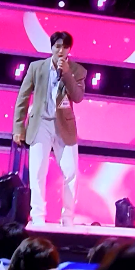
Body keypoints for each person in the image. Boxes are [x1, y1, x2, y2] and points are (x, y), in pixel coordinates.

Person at [12, 31, 87, 227]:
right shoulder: (36, 68)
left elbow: (78, 97)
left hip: (64, 125)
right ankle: (38, 217)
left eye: (65, 47)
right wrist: (18, 127)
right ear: (52, 47)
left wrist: (67, 74)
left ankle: (68, 218)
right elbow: (22, 97)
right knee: (37, 171)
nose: (60, 51)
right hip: (41, 123)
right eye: (57, 46)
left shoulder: (78, 70)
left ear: (69, 49)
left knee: (71, 172)